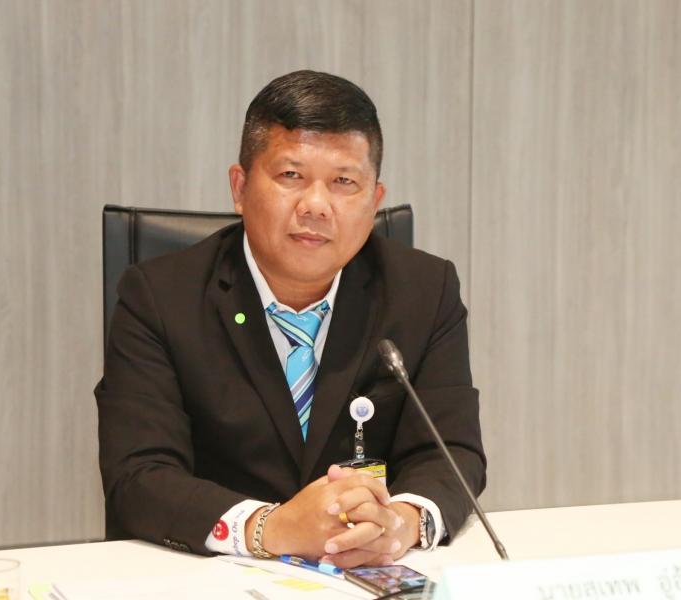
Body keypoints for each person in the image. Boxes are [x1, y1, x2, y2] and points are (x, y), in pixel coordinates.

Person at [95, 70, 485, 568]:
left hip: (361, 576)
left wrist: (401, 523)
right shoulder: (158, 297)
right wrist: (272, 528)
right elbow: (138, 475)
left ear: (374, 202)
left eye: (344, 182)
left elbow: (451, 452)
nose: (316, 205)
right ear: (240, 187)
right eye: (291, 176)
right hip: (208, 576)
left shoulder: (424, 291)